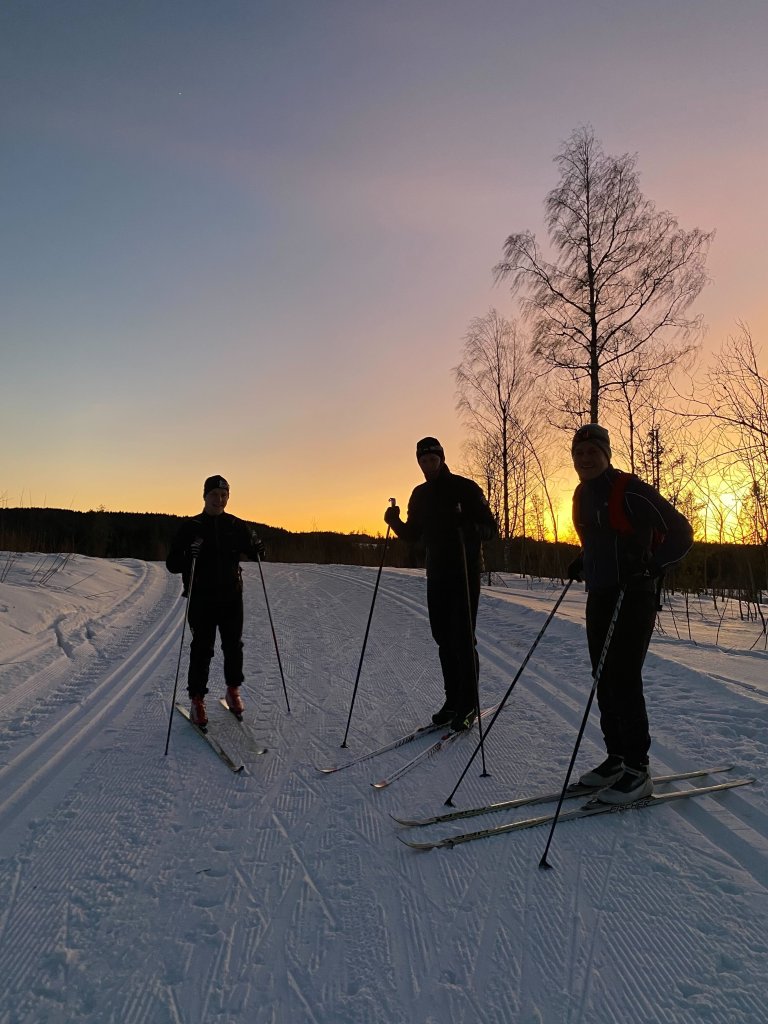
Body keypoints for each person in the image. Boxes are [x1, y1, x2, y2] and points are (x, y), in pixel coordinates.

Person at [568, 424, 693, 804]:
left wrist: (653, 565)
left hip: (634, 596)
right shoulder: (581, 494)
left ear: (606, 454)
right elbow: (595, 538)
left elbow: (682, 532)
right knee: (603, 676)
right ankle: (617, 758)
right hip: (601, 594)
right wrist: (584, 560)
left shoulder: (630, 488)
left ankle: (638, 770)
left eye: (593, 452)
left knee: (623, 677)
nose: (586, 459)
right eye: (580, 453)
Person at [384, 437, 498, 732]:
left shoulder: (465, 488)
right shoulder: (419, 494)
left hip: (464, 572)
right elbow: (413, 535)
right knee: (443, 639)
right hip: (436, 574)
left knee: (462, 639)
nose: (428, 465)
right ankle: (452, 702)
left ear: (442, 459)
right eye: (423, 461)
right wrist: (394, 522)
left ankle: (468, 704)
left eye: (432, 460)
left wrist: (471, 529)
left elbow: (491, 528)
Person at [166, 475, 266, 727]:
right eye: (214, 494)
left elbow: (258, 554)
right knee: (202, 648)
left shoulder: (236, 524)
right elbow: (172, 564)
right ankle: (197, 699)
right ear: (205, 496)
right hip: (201, 597)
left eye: (223, 495)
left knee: (233, 646)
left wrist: (258, 546)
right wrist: (189, 554)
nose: (219, 500)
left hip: (232, 595)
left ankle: (233, 691)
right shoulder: (191, 526)